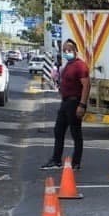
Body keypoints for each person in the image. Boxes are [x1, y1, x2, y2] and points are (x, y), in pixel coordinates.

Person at [41, 40, 89, 170]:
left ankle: (76, 162)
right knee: (59, 130)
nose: (67, 52)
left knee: (75, 132)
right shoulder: (68, 65)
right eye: (64, 51)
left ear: (75, 51)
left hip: (75, 102)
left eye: (69, 50)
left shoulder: (80, 66)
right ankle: (56, 160)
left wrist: (82, 105)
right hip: (65, 102)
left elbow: (86, 85)